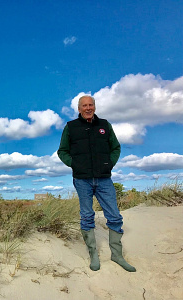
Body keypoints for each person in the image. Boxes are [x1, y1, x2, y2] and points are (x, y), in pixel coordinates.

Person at [57, 95, 136, 272]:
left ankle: (117, 255)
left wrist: (109, 163)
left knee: (115, 216)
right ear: (79, 109)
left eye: (90, 105)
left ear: (94, 107)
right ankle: (93, 255)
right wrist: (74, 164)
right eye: (84, 105)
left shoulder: (105, 125)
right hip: (82, 179)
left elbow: (116, 147)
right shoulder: (71, 127)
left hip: (104, 178)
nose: (88, 108)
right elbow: (62, 151)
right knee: (87, 217)